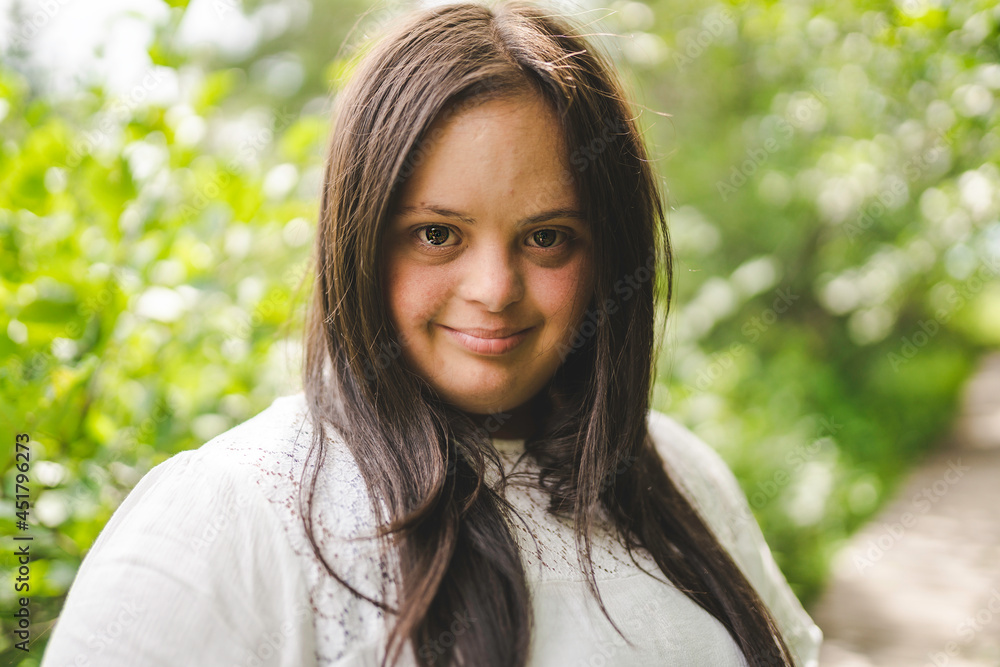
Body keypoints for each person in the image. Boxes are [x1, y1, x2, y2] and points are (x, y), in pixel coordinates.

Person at [41, 1, 823, 665]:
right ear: (358, 240)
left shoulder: (680, 472)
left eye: (547, 236)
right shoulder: (230, 517)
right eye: (436, 234)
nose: (493, 290)